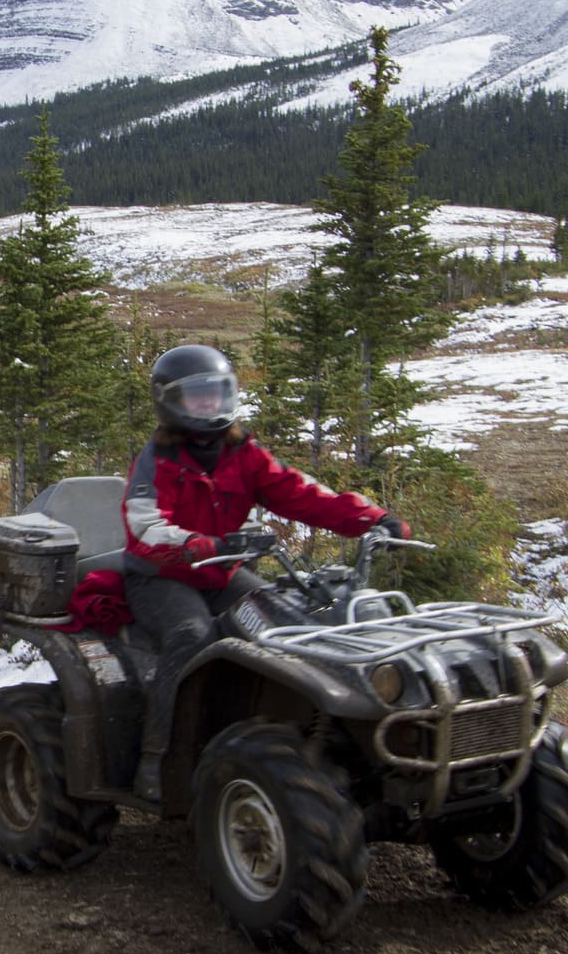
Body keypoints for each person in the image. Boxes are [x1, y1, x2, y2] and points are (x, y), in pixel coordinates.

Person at [120, 344, 407, 802]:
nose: (209, 405)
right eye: (197, 398)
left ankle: (285, 739)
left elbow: (300, 493)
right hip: (160, 577)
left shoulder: (243, 453)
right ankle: (158, 757)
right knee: (191, 635)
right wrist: (201, 544)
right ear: (170, 403)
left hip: (221, 573)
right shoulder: (156, 460)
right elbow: (145, 528)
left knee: (284, 625)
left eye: (216, 394)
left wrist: (370, 519)